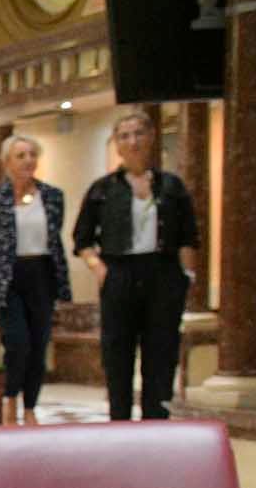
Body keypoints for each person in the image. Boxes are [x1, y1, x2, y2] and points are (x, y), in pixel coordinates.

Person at [73, 108, 199, 420]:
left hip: (163, 274)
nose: (133, 142)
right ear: (116, 144)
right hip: (119, 273)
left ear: (151, 138)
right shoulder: (103, 189)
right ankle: (119, 421)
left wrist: (186, 275)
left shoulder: (172, 187)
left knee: (161, 352)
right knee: (118, 352)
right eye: (124, 136)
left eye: (139, 134)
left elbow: (189, 237)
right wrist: (99, 269)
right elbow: (82, 239)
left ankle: (156, 422)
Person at [0, 134, 70, 426]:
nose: (28, 161)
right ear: (7, 163)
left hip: (41, 274)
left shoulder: (53, 196)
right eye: (21, 156)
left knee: (39, 344)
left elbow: (55, 237)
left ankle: (30, 406)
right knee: (18, 343)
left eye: (32, 154)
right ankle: (10, 398)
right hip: (9, 277)